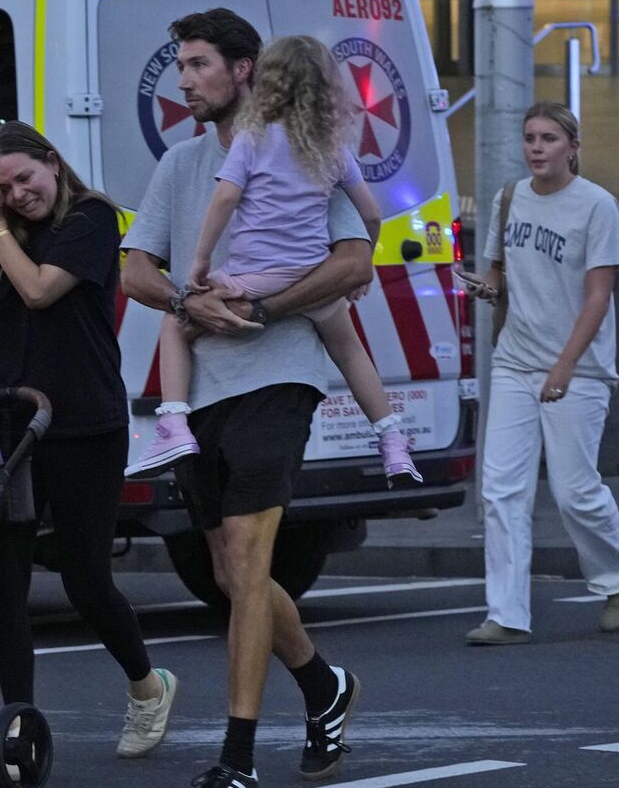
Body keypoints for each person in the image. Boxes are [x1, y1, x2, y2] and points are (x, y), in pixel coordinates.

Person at [121, 8, 365, 788]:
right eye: (180, 65)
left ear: (244, 70)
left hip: (279, 373)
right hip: (200, 390)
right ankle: (323, 685)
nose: (184, 80)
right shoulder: (181, 163)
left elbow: (356, 256)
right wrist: (192, 299)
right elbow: (133, 269)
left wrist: (264, 309)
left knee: (251, 563)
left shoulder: (300, 149)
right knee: (231, 573)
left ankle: (236, 762)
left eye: (196, 65)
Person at [0, 121, 178, 760]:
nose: (18, 194)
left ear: (52, 163)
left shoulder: (93, 218)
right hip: (11, 425)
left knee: (84, 577)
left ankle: (147, 686)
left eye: (25, 178)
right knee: (7, 576)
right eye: (1, 187)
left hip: (85, 423)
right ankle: (18, 719)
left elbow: (41, 290)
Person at [126, 34, 420, 489]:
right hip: (311, 273)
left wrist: (200, 262)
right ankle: (392, 439)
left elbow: (225, 199)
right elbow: (372, 213)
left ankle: (173, 424)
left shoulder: (253, 139)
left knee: (177, 322)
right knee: (349, 348)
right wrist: (366, 265)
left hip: (257, 276)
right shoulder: (330, 148)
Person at [460, 102, 619, 647]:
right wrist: (488, 286)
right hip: (515, 360)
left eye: (548, 138)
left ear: (573, 146)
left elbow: (598, 295)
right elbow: (500, 269)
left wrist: (564, 367)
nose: (536, 148)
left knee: (573, 491)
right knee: (500, 490)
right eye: (529, 138)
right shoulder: (509, 198)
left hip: (579, 368)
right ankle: (507, 614)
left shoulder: (596, 206)